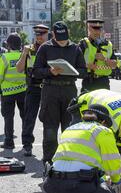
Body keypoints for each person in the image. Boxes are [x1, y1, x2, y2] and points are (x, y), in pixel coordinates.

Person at [43, 104, 121, 193]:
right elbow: (112, 162)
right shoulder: (102, 131)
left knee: (74, 182)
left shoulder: (70, 129)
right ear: (103, 121)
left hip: (52, 184)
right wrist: (116, 181)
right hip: (77, 186)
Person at [33, 21, 87, 165]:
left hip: (69, 90)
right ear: (53, 35)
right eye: (59, 39)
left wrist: (73, 72)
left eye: (65, 39)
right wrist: (49, 71)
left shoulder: (75, 48)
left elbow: (83, 71)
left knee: (69, 129)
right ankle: (49, 163)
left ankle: (68, 162)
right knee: (50, 130)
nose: (63, 42)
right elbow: (36, 71)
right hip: (50, 90)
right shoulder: (45, 48)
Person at [69, 89, 121, 178]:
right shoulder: (109, 120)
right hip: (83, 104)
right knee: (84, 146)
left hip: (106, 99)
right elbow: (107, 152)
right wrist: (114, 178)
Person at [16, 24, 49, 156]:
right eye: (37, 34)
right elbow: (19, 69)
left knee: (49, 117)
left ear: (47, 34)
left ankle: (49, 145)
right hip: (33, 88)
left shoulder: (51, 49)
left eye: (42, 34)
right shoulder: (29, 49)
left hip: (48, 87)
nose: (39, 36)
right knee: (29, 118)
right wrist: (24, 53)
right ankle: (27, 145)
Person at [0, 33, 27, 150]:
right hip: (23, 90)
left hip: (7, 93)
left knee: (8, 117)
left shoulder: (4, 58)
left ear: (9, 45)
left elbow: (0, 76)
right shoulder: (24, 56)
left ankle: (9, 141)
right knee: (25, 117)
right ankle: (26, 143)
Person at [79, 19, 117, 92]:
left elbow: (114, 65)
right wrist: (87, 66)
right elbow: (76, 63)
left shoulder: (108, 44)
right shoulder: (83, 44)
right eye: (94, 29)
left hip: (103, 82)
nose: (97, 31)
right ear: (89, 29)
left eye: (99, 29)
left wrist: (104, 59)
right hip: (88, 81)